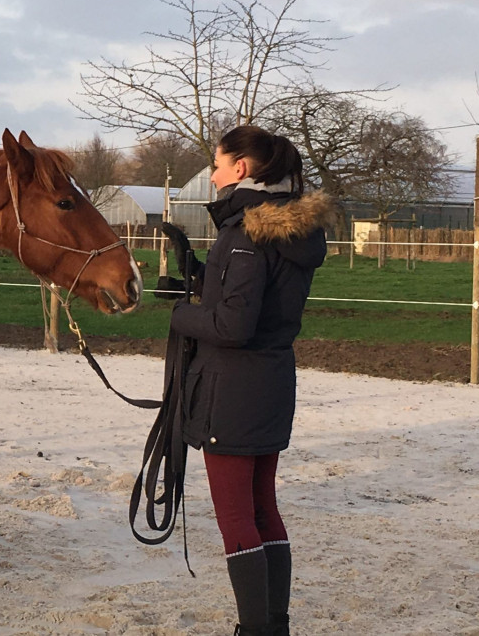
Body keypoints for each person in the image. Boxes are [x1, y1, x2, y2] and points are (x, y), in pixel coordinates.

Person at [161, 126, 338, 635]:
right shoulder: (287, 230)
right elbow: (256, 295)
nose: (213, 172)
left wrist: (180, 314)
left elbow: (232, 326)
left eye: (217, 163)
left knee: (237, 517)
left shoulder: (244, 234)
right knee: (264, 508)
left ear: (241, 169)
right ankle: (274, 626)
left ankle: (255, 630)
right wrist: (197, 272)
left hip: (232, 390)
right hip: (273, 382)